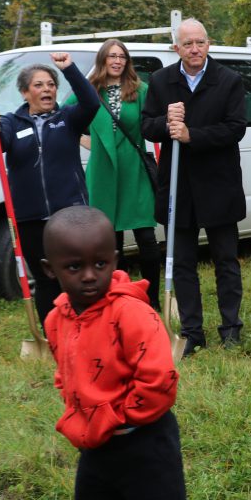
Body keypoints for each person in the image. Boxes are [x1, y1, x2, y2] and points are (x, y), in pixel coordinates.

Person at [40, 205, 206, 500]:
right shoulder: (56, 319)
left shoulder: (132, 314)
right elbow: (65, 371)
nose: (89, 275)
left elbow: (159, 381)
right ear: (50, 269)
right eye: (74, 267)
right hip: (96, 449)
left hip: (145, 445)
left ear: (115, 260)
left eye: (100, 264)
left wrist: (114, 417)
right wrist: (80, 413)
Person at [141, 18, 247, 356]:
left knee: (225, 261)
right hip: (179, 187)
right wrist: (165, 122)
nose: (195, 49)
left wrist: (192, 135)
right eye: (187, 44)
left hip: (219, 185)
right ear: (177, 48)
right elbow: (146, 126)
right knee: (182, 262)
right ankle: (191, 332)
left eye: (200, 42)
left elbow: (235, 128)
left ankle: (231, 328)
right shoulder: (161, 81)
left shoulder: (228, 80)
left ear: (209, 44)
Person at [0, 51, 100, 327]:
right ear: (25, 92)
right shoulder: (11, 122)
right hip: (30, 218)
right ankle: (52, 334)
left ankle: (84, 329)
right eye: (38, 85)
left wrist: (69, 69)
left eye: (51, 84)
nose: (47, 89)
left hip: (70, 215)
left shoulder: (68, 117)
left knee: (75, 276)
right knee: (46, 279)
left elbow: (91, 102)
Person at [68, 39, 161, 310]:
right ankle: (116, 300)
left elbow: (154, 122)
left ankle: (152, 299)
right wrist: (85, 140)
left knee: (146, 237)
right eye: (112, 56)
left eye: (122, 56)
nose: (117, 61)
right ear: (103, 60)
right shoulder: (89, 90)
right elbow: (64, 118)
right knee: (111, 242)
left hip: (134, 171)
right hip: (103, 173)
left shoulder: (140, 89)